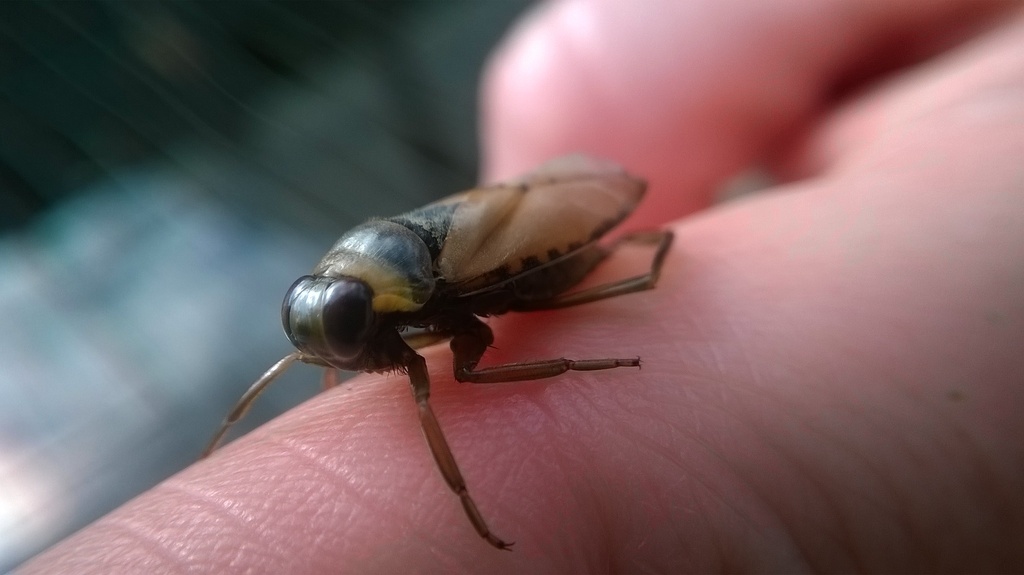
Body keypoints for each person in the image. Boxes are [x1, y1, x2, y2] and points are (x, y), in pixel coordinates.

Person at [22, 1, 1024, 572]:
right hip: (443, 263)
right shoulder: (367, 299)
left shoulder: (418, 302)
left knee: (531, 333)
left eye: (346, 336)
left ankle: (625, 307)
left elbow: (480, 354)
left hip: (532, 251)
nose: (344, 359)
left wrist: (588, 359)